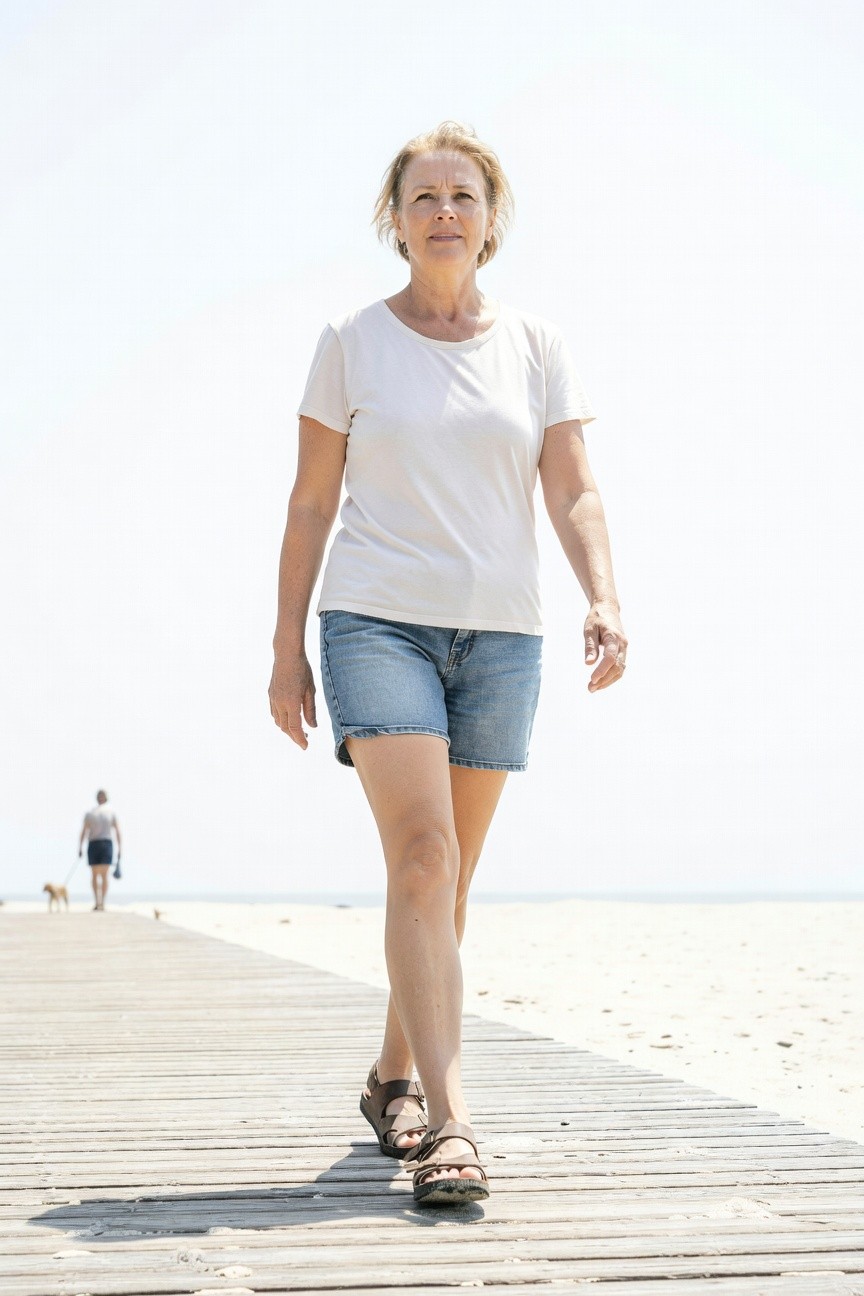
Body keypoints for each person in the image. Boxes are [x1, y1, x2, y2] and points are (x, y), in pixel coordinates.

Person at [269, 121, 626, 1206]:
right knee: (422, 857)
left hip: (503, 634)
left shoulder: (538, 345)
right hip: (378, 621)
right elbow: (312, 501)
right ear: (396, 218)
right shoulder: (351, 340)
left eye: (462, 194)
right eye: (422, 196)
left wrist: (604, 595)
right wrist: (285, 645)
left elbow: (572, 488)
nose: (442, 211)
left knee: (445, 882)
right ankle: (454, 1125)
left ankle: (392, 1079)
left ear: (490, 214)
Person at [78, 790, 122, 911]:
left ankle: (102, 902)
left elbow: (117, 831)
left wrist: (120, 848)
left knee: (104, 875)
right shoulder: (91, 813)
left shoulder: (111, 812)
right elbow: (84, 831)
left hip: (106, 843)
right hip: (94, 843)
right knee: (95, 874)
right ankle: (97, 902)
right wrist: (80, 847)